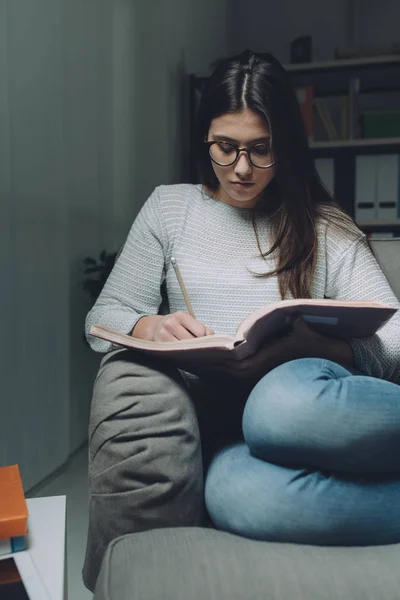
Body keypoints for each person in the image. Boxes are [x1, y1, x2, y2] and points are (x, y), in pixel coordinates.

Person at [82, 50, 400, 591]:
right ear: (204, 138)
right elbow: (104, 315)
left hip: (303, 399)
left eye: (260, 149)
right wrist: (148, 327)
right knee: (237, 498)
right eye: (224, 148)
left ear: (287, 147)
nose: (242, 168)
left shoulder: (324, 226)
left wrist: (320, 350)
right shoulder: (170, 209)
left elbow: (394, 342)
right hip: (228, 433)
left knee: (277, 405)